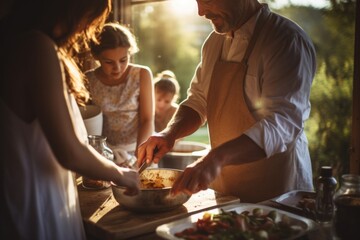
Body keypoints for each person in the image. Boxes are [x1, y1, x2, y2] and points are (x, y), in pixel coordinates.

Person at [138, 0, 316, 203]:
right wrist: (169, 134)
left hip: (278, 193)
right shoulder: (214, 42)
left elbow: (282, 123)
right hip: (226, 192)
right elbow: (198, 100)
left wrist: (216, 158)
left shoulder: (285, 40)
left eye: (206, 1)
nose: (200, 11)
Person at [0, 0, 140, 239]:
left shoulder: (14, 44)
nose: (86, 29)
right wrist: (121, 174)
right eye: (89, 17)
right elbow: (70, 152)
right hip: (37, 202)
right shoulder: (37, 47)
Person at [86, 22, 154, 168]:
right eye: (109, 62)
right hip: (103, 154)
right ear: (96, 57)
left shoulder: (141, 74)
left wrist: (138, 158)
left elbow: (147, 120)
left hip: (139, 149)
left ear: (130, 52)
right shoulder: (88, 79)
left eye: (123, 60)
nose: (117, 68)